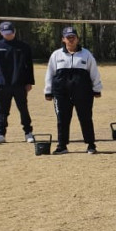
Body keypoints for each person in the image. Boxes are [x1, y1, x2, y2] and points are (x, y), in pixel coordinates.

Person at [44, 26, 102, 154]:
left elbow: (94, 73)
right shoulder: (56, 55)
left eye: (73, 37)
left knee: (86, 117)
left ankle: (91, 145)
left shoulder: (86, 54)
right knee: (62, 119)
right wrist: (48, 91)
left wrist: (97, 88)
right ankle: (62, 145)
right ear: (63, 39)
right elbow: (50, 73)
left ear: (77, 39)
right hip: (61, 93)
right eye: (68, 37)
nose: (71, 40)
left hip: (83, 92)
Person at [0, 21, 35, 143]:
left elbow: (29, 66)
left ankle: (28, 132)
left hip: (19, 84)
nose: (8, 35)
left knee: (23, 108)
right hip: (2, 84)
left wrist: (29, 82)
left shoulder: (24, 47)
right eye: (5, 33)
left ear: (14, 31)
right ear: (0, 33)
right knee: (2, 110)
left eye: (10, 33)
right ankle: (1, 133)